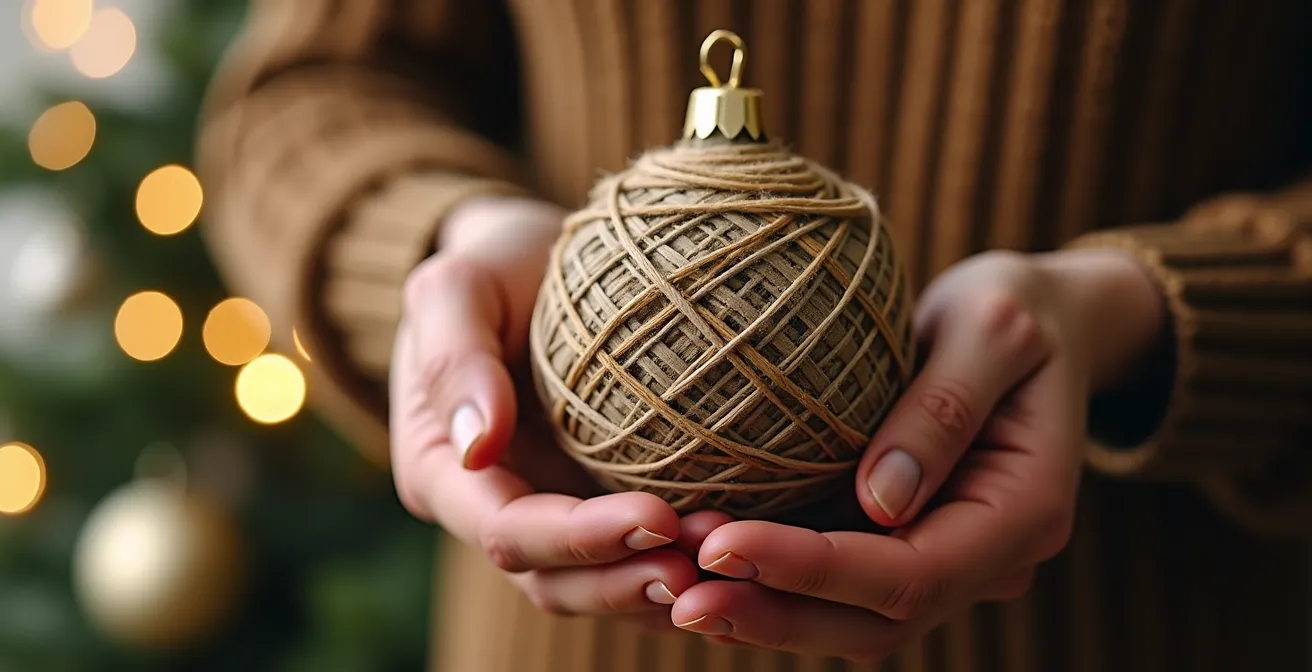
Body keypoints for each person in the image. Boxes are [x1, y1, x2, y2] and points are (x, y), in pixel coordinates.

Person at [197, 1, 1312, 669]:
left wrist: (1139, 316)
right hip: (566, 627)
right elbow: (306, 91)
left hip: (1151, 626)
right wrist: (445, 247)